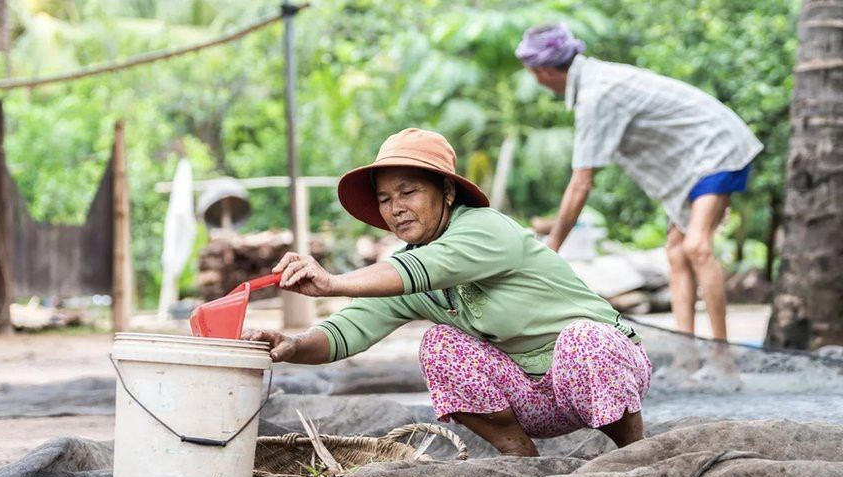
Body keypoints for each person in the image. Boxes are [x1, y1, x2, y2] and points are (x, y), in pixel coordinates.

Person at [242, 128, 652, 456]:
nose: (395, 208)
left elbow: (428, 268)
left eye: (408, 192)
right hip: (534, 398)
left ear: (447, 192)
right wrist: (292, 345)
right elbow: (347, 331)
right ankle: (518, 456)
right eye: (385, 199)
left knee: (584, 340)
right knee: (439, 345)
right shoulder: (405, 269)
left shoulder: (485, 228)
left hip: (603, 374)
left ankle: (636, 450)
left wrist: (332, 282)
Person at [516, 23, 763, 342]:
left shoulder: (595, 94)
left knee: (696, 246)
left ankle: (722, 354)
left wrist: (551, 251)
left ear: (543, 71)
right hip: (694, 161)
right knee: (676, 252)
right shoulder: (595, 79)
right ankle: (686, 355)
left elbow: (581, 184)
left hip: (716, 147)